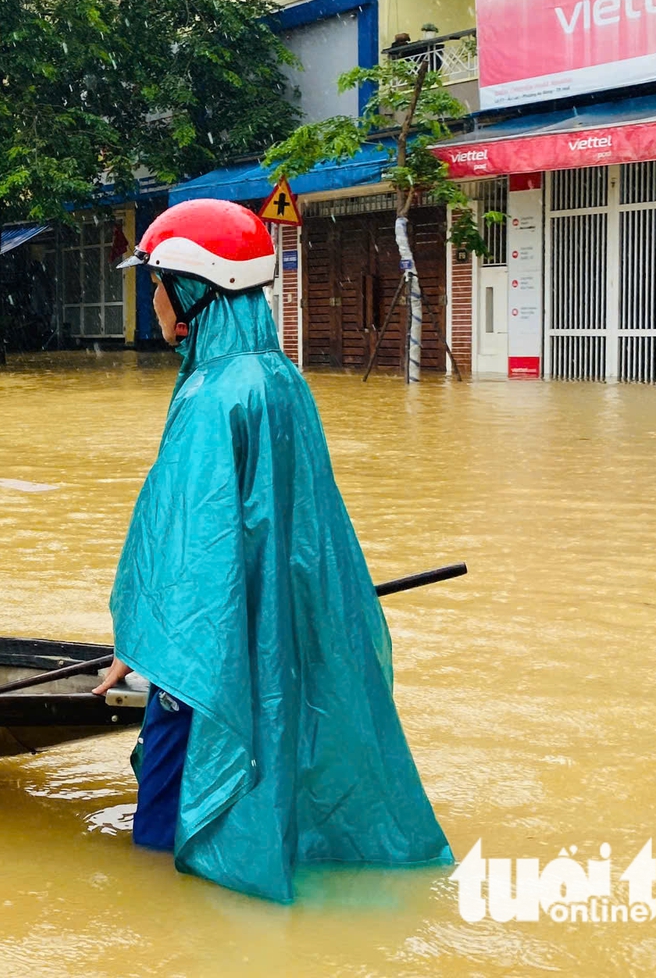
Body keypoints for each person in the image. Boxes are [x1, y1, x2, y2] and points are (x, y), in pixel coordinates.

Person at [90, 200, 449, 903]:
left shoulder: (211, 395)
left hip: (210, 647)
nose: (153, 299)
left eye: (158, 283)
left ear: (194, 290)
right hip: (275, 628)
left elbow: (187, 547)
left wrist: (144, 642)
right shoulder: (281, 378)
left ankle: (166, 908)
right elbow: (300, 530)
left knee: (162, 824)